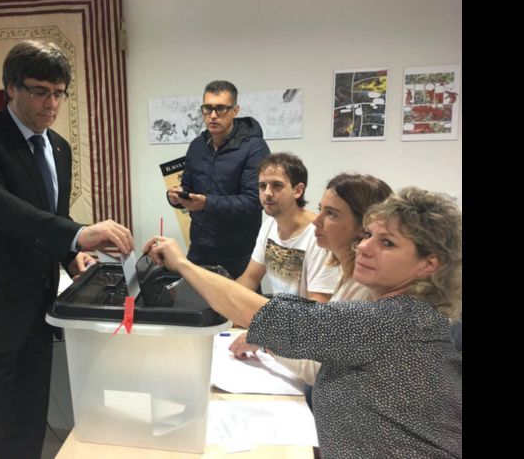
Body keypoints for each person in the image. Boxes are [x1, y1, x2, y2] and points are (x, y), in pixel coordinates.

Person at [143, 186, 462, 457]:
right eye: (368, 235)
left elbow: (266, 316)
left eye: (387, 243)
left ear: (429, 264)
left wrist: (182, 264)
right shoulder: (414, 315)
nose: (364, 247)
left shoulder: (392, 322)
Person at [0, 40, 134, 459]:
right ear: (12, 87)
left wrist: (70, 255)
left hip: (35, 314)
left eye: (59, 93)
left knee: (29, 429)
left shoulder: (58, 147)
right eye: (40, 91)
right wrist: (79, 234)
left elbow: (44, 218)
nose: (51, 103)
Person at [232, 173, 393, 385]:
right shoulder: (346, 274)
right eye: (320, 210)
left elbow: (317, 368)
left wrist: (266, 340)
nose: (316, 221)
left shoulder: (364, 289)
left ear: (364, 226)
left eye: (331, 214)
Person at [166, 80, 269, 279]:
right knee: (193, 305)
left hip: (238, 254)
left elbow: (254, 201)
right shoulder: (197, 145)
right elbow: (187, 186)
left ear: (235, 110)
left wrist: (207, 203)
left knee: (239, 309)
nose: (213, 115)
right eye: (208, 108)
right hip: (200, 248)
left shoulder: (254, 148)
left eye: (220, 108)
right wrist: (175, 197)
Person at [236, 152, 339, 302]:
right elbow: (250, 278)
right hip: (282, 317)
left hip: (308, 322)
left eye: (277, 185)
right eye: (262, 186)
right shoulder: (269, 225)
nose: (267, 193)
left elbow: (318, 305)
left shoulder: (319, 236)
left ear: (298, 191)